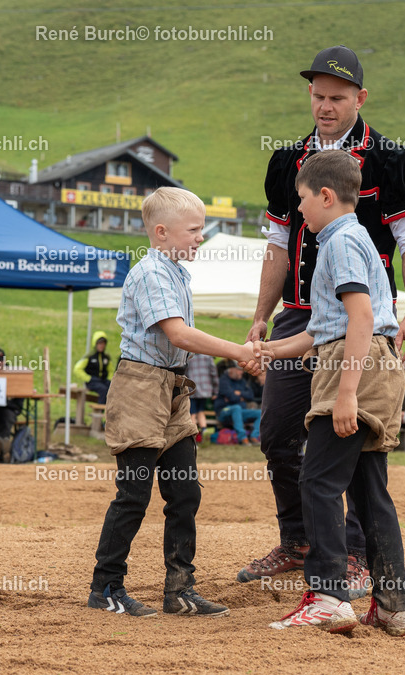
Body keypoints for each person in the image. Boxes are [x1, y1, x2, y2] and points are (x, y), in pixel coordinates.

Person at [244, 44, 405, 591]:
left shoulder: (394, 160)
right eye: (318, 96)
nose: (325, 106)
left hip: (360, 319)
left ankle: (350, 553)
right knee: (279, 432)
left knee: (353, 433)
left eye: (337, 98)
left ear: (360, 98)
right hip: (298, 317)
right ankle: (298, 540)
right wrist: (262, 316)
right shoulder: (287, 161)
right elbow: (277, 244)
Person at [256, 150, 405, 636]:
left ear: (326, 195)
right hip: (370, 363)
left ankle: (327, 596)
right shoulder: (357, 238)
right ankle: (393, 605)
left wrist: (346, 395)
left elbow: (360, 319)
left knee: (318, 482)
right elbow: (322, 329)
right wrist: (269, 350)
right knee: (369, 492)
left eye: (303, 200)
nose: (299, 211)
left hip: (354, 369)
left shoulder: (338, 243)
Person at [87, 186, 259, 619]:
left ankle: (180, 589)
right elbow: (179, 335)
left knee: (184, 493)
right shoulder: (151, 273)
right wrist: (240, 352)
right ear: (161, 233)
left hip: (171, 391)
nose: (201, 237)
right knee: (134, 494)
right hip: (140, 389)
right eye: (194, 230)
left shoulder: (177, 272)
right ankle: (106, 586)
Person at [215, 362, 262, 445]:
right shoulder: (223, 380)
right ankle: (243, 438)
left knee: (260, 413)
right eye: (239, 370)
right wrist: (240, 397)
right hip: (224, 412)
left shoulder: (242, 381)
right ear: (232, 370)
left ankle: (254, 437)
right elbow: (232, 397)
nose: (242, 372)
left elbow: (251, 395)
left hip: (240, 412)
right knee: (236, 407)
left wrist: (239, 393)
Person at [186, 353, 218, 443]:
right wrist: (215, 391)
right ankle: (204, 431)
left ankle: (193, 436)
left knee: (192, 413)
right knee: (201, 411)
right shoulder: (208, 357)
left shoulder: (189, 358)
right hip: (205, 390)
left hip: (192, 389)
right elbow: (214, 374)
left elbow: (185, 373)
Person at [74, 331, 112, 404]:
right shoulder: (90, 356)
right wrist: (89, 378)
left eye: (103, 343)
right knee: (103, 390)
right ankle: (99, 412)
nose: (102, 346)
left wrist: (109, 379)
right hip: (92, 382)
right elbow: (77, 369)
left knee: (111, 389)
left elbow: (111, 370)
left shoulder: (106, 357)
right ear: (95, 344)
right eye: (100, 343)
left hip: (103, 381)